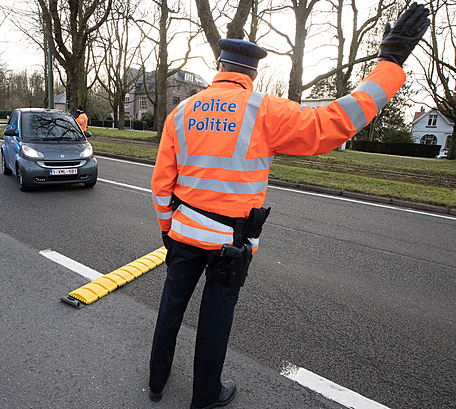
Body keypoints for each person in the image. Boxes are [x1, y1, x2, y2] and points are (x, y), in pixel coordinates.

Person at [149, 3, 430, 409]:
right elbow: (335, 122)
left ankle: (157, 380)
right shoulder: (264, 110)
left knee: (170, 308)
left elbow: (161, 184)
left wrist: (166, 231)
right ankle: (205, 397)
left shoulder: (180, 112)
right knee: (215, 323)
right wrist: (388, 65)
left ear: (219, 67)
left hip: (183, 232)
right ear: (251, 74)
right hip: (230, 242)